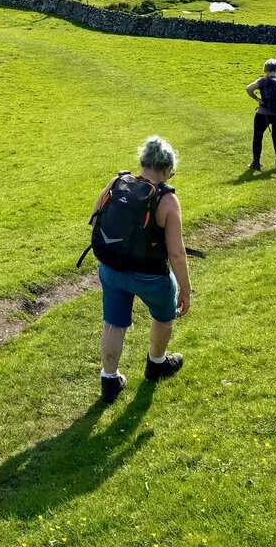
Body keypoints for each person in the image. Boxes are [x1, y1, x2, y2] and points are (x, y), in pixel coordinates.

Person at [89, 136, 192, 403]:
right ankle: (156, 363)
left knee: (113, 322)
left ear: (143, 161)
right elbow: (176, 254)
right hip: (150, 275)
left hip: (112, 269)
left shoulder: (116, 183)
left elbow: (96, 217)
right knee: (163, 314)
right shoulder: (167, 200)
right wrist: (185, 289)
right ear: (167, 168)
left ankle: (109, 380)